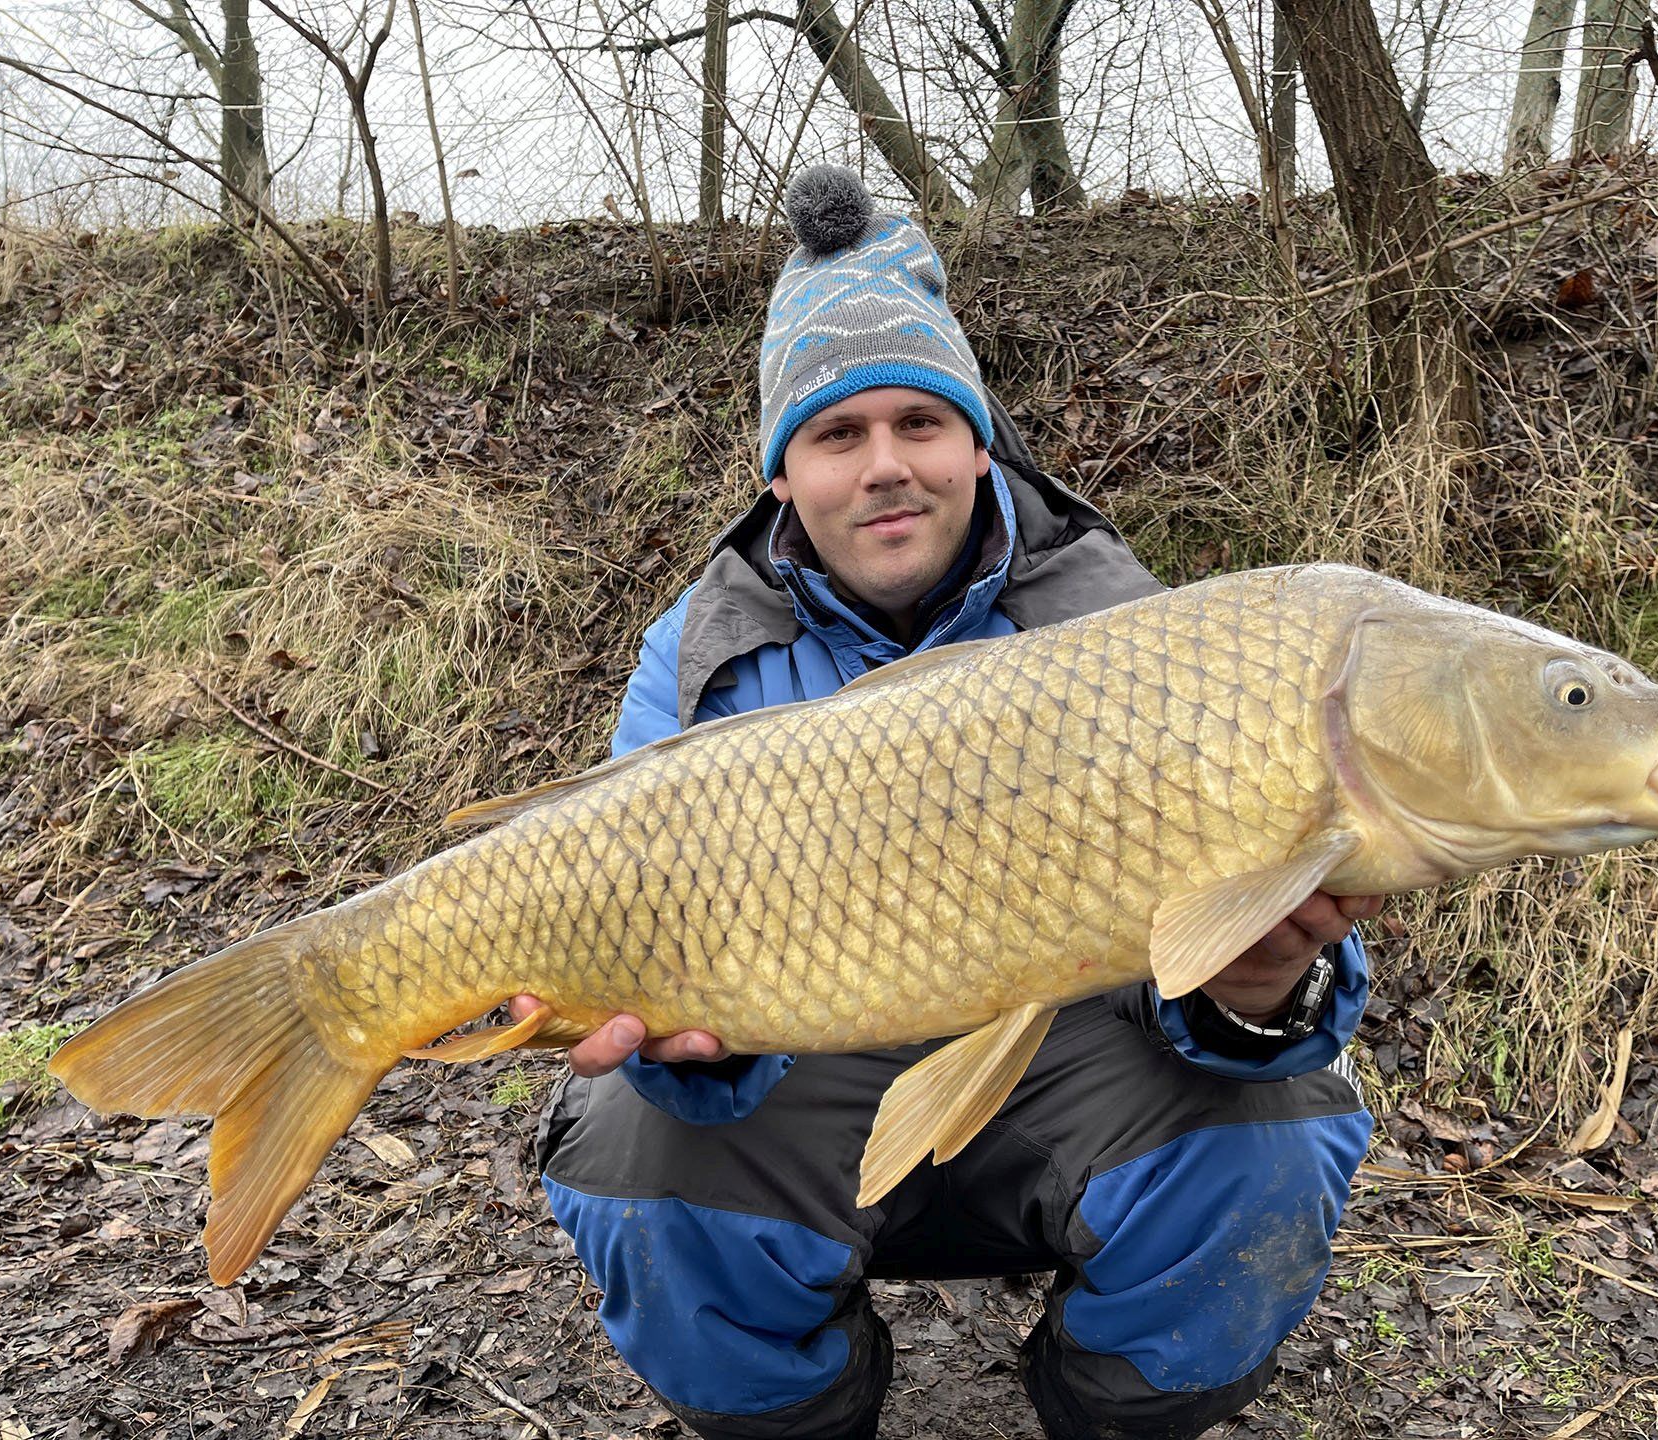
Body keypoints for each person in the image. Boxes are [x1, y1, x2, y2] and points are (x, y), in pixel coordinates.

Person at [512, 165, 1380, 1440]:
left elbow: (1237, 968)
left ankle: (1106, 1410)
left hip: (1062, 1054)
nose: (886, 468)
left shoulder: (1130, 632)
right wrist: (705, 1032)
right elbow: (647, 957)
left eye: (921, 422)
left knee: (1274, 1134)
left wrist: (1253, 996)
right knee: (633, 1157)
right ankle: (805, 1415)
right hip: (805, 1068)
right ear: (780, 476)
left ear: (979, 441)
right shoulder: (702, 654)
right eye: (837, 435)